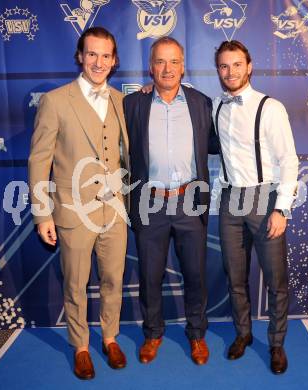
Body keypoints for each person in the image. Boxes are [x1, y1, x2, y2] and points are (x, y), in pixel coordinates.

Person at [28, 27, 129, 380]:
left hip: (114, 212)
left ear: (114, 60)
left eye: (105, 55)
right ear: (80, 56)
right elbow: (39, 161)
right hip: (72, 212)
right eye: (92, 54)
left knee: (113, 280)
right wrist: (43, 213)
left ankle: (111, 337)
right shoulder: (56, 101)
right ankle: (81, 346)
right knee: (75, 284)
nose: (98, 62)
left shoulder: (121, 101)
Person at [123, 37, 214, 365]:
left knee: (196, 274)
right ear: (151, 67)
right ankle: (152, 333)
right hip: (149, 203)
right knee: (150, 275)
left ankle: (197, 335)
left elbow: (217, 145)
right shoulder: (132, 104)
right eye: (160, 62)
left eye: (174, 61)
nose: (167, 69)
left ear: (183, 65)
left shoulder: (201, 103)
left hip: (190, 200)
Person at [213, 40, 298, 374]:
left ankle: (276, 344)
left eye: (236, 64)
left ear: (249, 66)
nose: (230, 71)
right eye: (223, 66)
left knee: (276, 280)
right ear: (218, 70)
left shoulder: (270, 107)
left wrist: (282, 208)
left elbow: (288, 160)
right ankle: (243, 334)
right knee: (235, 276)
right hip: (231, 199)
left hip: (265, 199)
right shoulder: (218, 107)